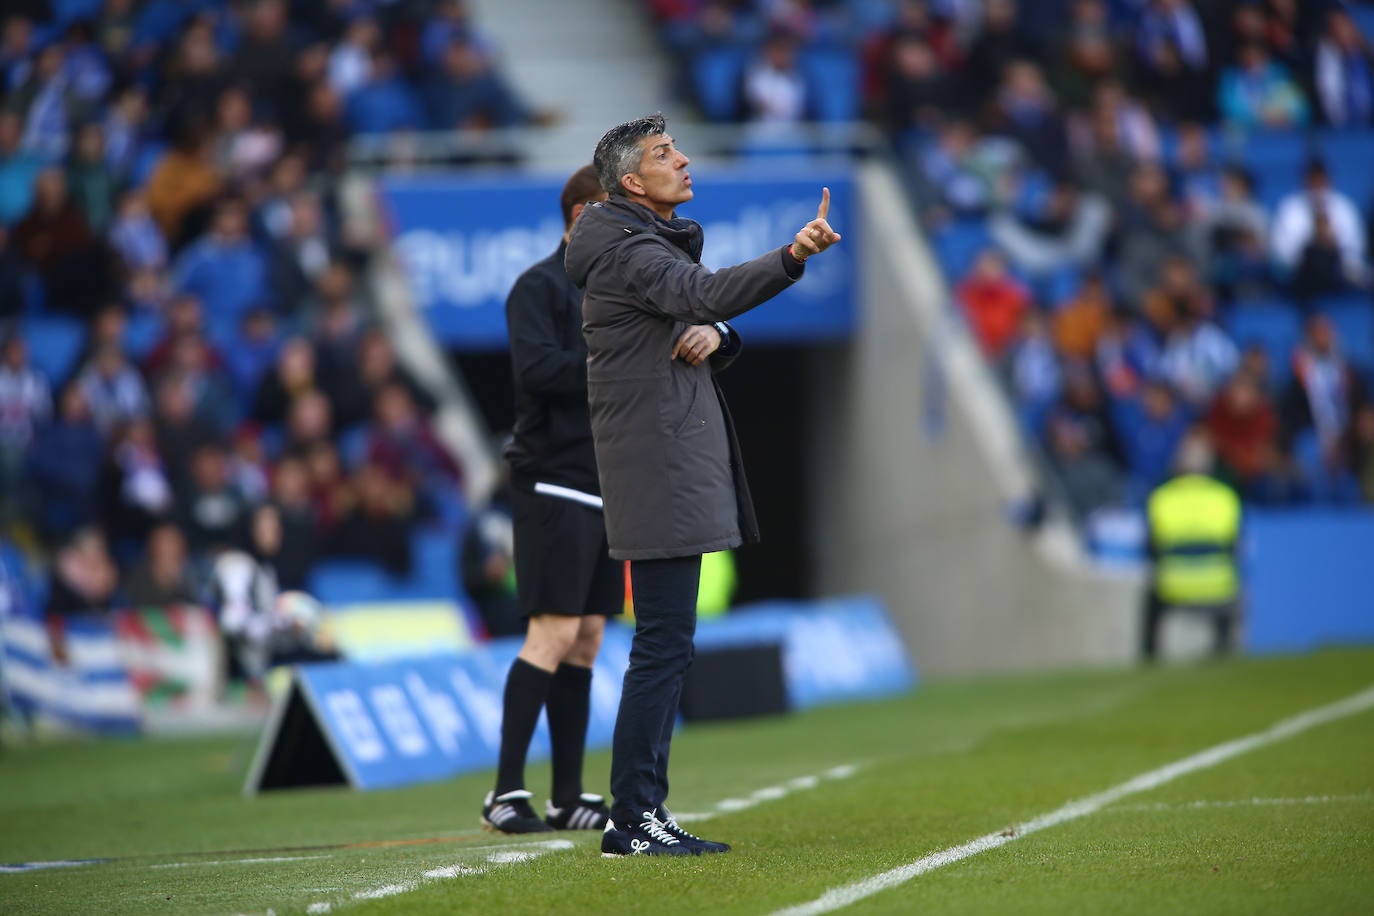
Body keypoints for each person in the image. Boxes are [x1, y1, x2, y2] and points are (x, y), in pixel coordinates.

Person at [564, 113, 840, 856]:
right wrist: (791, 256)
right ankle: (633, 819)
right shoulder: (627, 251)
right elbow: (703, 293)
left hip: (664, 463)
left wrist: (718, 334)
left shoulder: (638, 244)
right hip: (654, 467)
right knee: (661, 647)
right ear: (631, 183)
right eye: (664, 154)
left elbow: (696, 320)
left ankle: (642, 812)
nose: (683, 161)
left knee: (668, 645)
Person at [482, 164, 734, 836]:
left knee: (590, 638)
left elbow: (706, 317)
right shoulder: (538, 286)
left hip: (610, 480)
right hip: (553, 477)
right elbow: (536, 370)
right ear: (577, 216)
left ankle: (567, 794)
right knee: (554, 631)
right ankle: (506, 791)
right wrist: (622, 362)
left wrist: (717, 334)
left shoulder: (624, 281)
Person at [1142, 436, 1243, 660]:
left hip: (1173, 585)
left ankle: (1150, 657)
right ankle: (1224, 650)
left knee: (1150, 600)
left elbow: (1150, 548)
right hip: (1218, 584)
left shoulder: (1162, 497)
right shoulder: (1225, 498)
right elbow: (1236, 547)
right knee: (1234, 594)